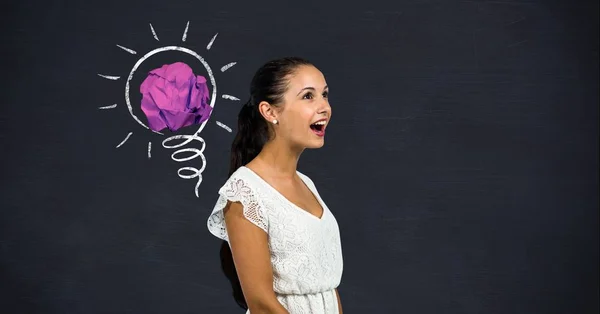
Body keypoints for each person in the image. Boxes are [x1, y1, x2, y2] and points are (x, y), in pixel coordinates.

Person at [207, 57, 344, 313]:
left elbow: (326, 286)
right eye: (308, 97)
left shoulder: (307, 184)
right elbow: (261, 303)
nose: (324, 106)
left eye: (324, 95)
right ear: (270, 112)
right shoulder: (245, 192)